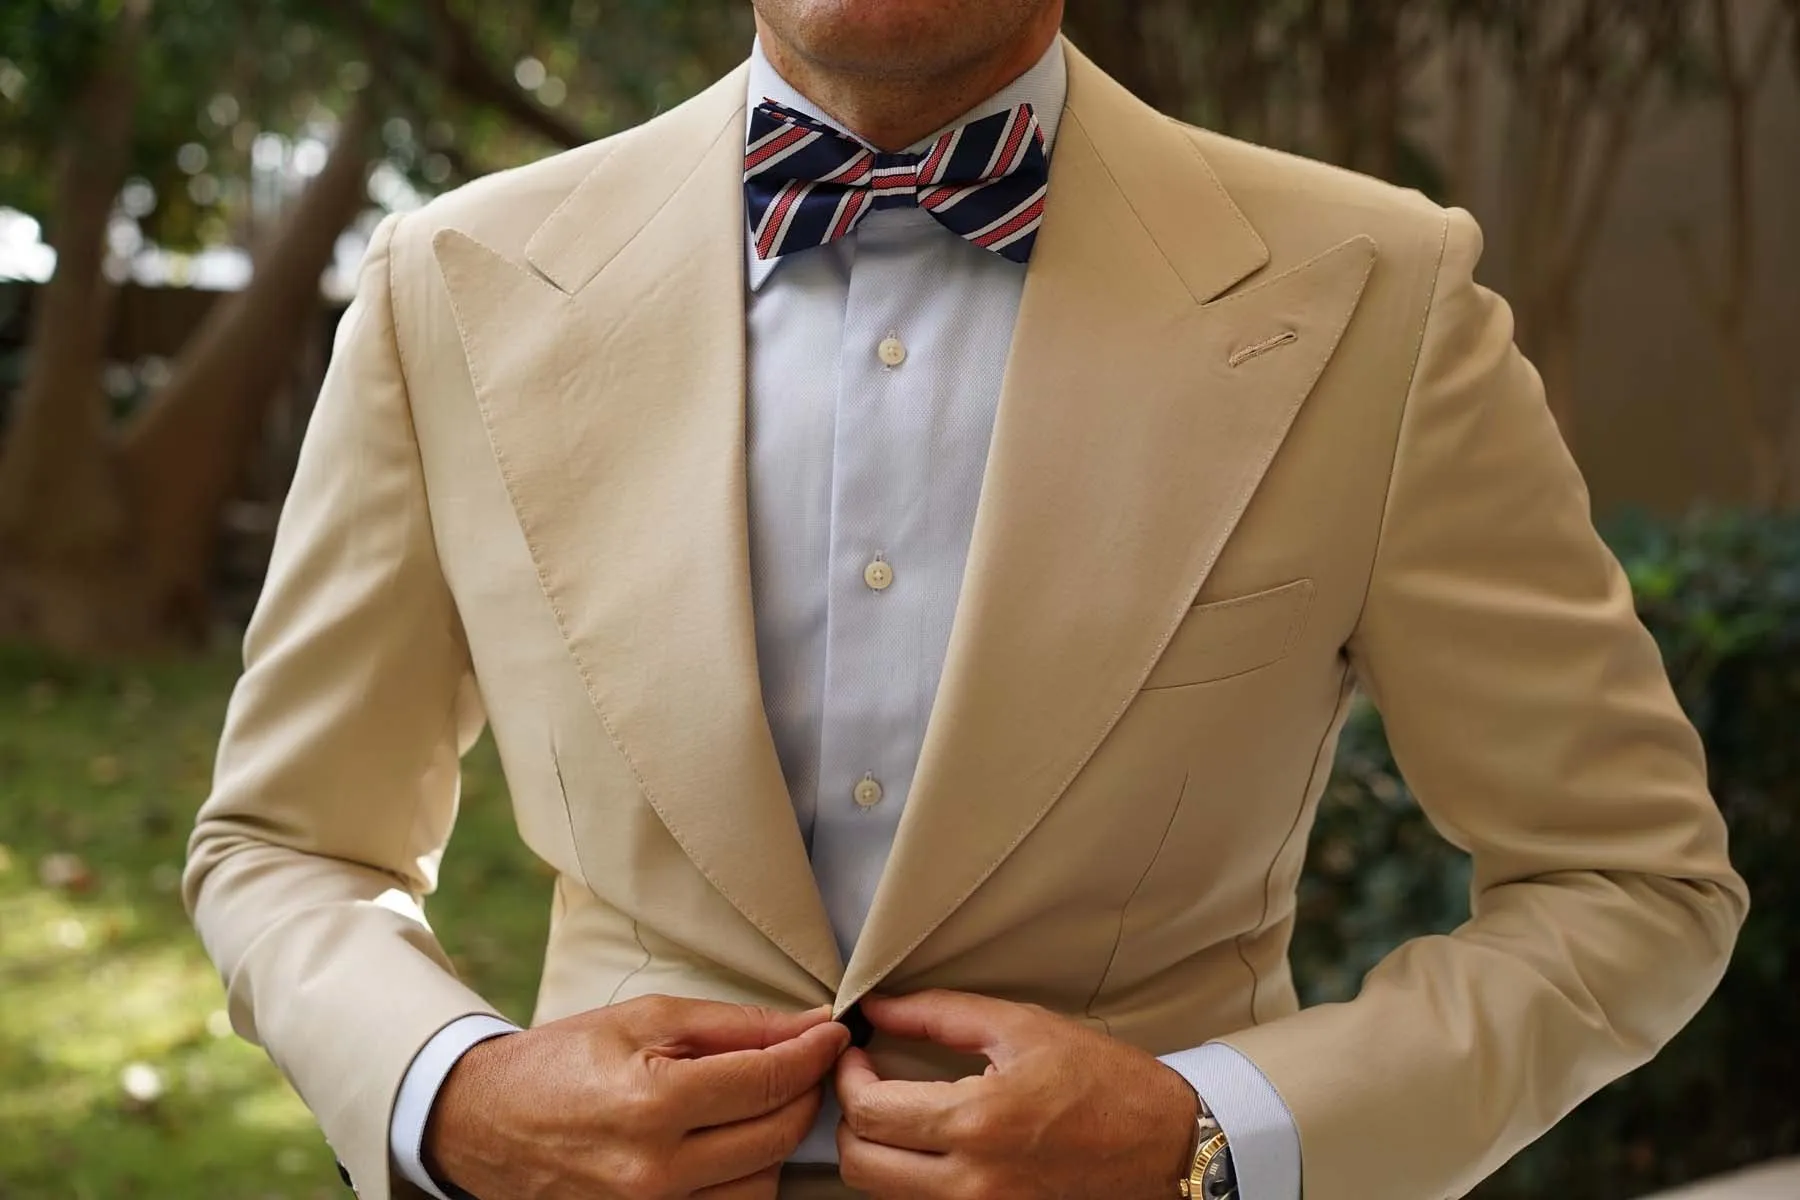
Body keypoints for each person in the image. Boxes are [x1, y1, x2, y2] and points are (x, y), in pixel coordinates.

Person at [183, 2, 1749, 1198]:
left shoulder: (1380, 297)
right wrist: (450, 1097)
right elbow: (284, 845)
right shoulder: (449, 283)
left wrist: (1212, 1138)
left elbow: (1628, 885)